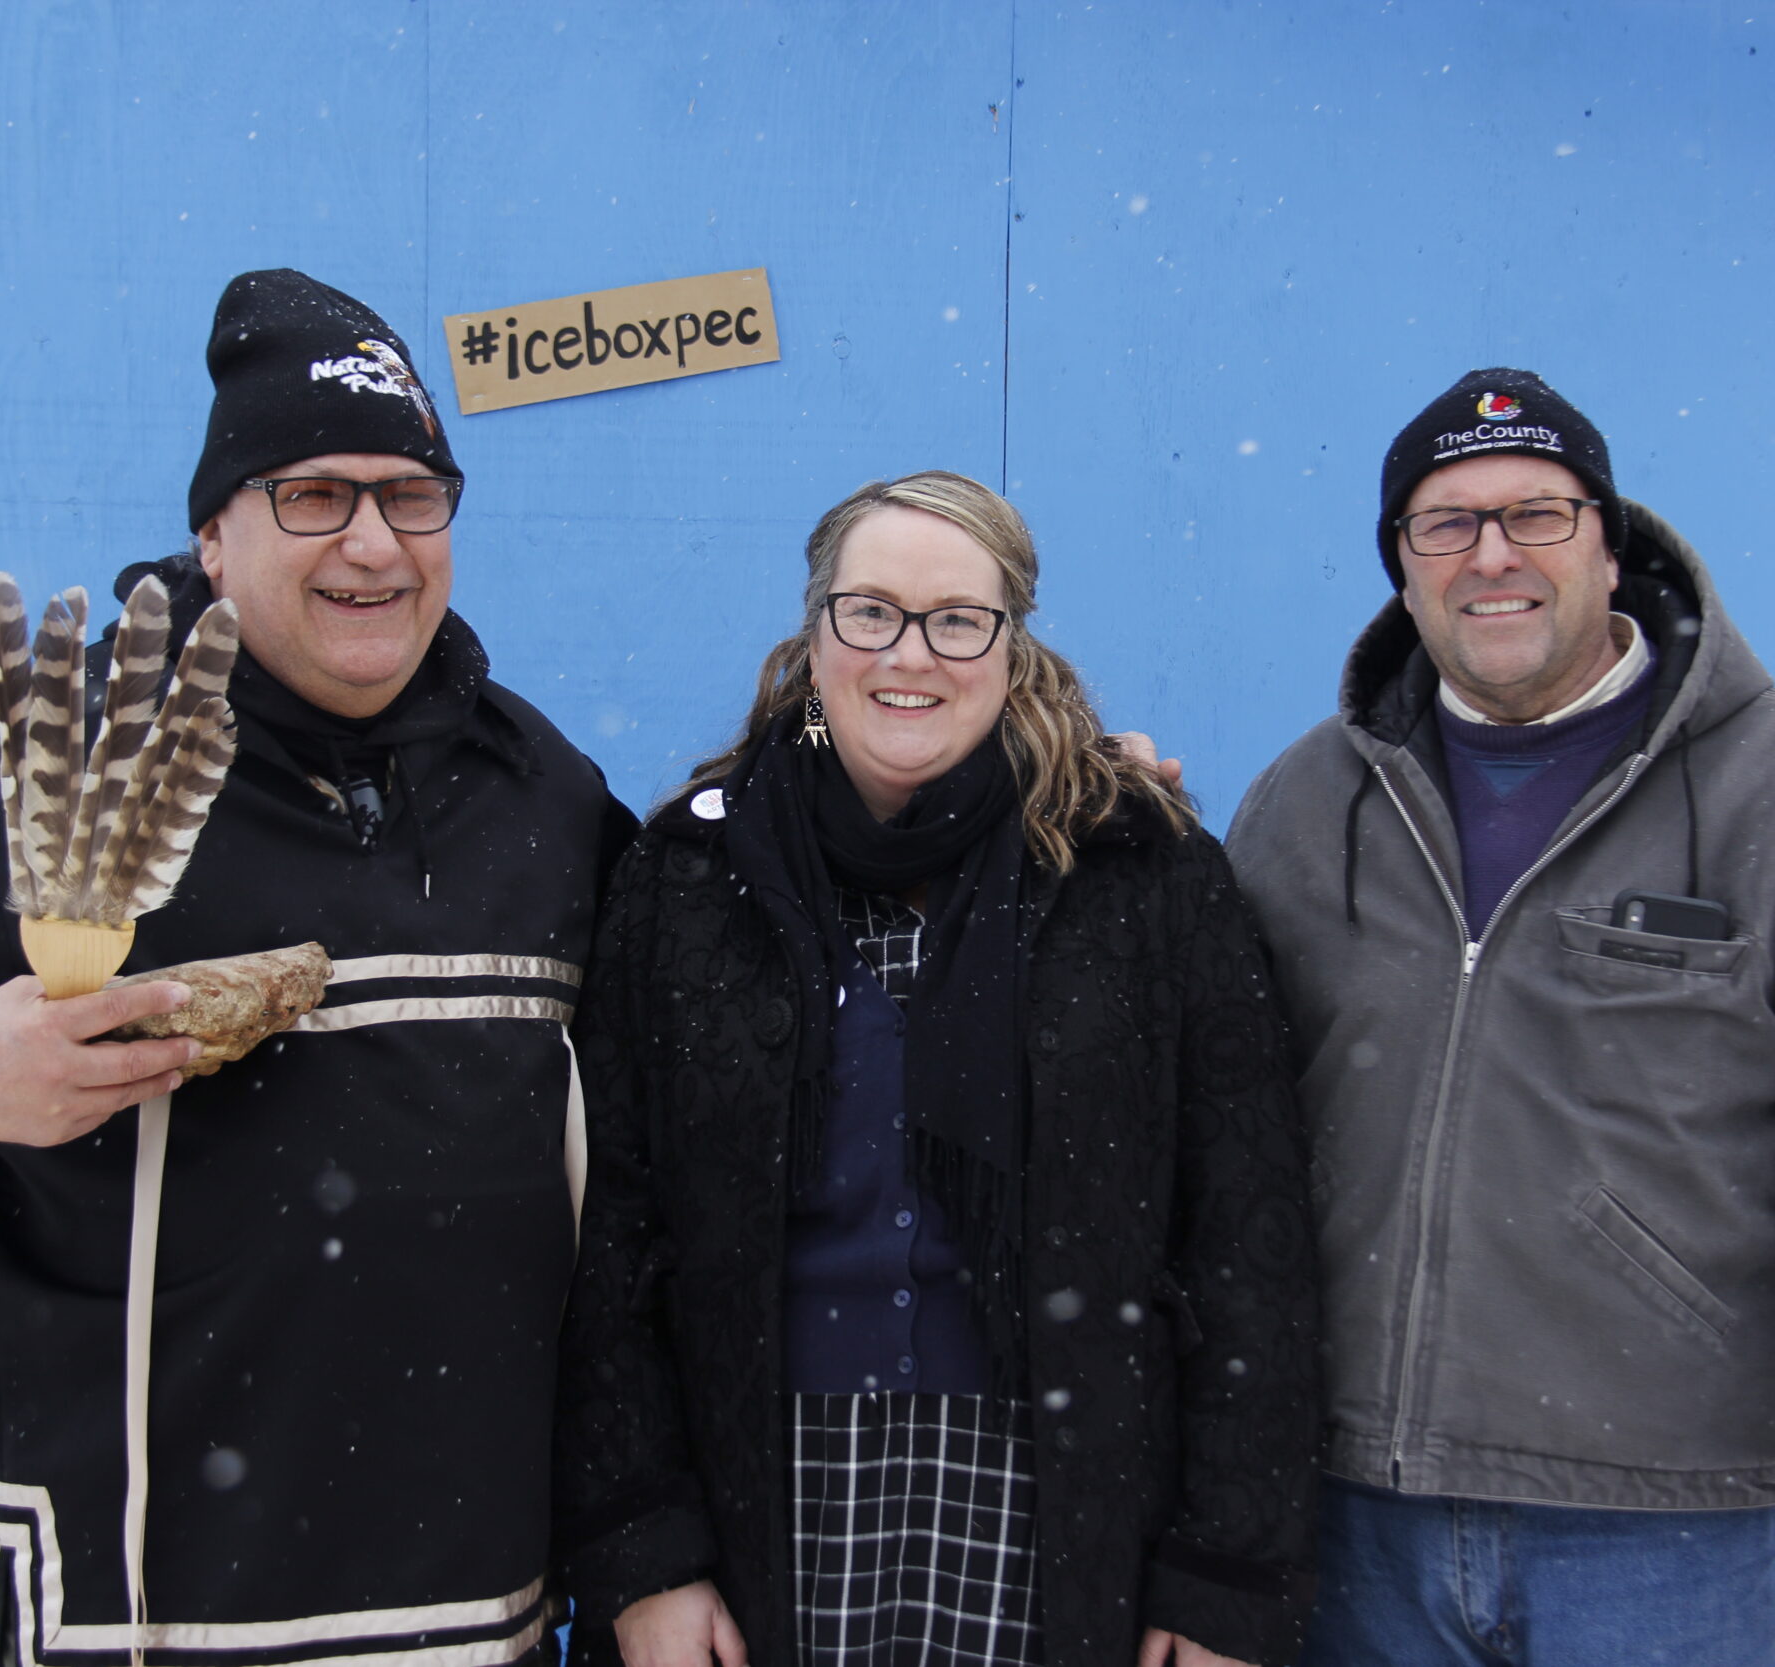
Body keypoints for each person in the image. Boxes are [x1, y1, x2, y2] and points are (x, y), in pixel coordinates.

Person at [0, 269, 633, 1664]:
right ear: (216, 528)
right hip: (138, 1613)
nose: (374, 541)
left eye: (412, 493)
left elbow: (715, 1007)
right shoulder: (68, 763)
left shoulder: (538, 790)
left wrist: (1066, 812)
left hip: (476, 1613)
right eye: (314, 493)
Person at [1226, 368, 1775, 1667]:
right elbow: (1210, 1116)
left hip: (1663, 1534)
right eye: (1446, 523)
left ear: (1608, 534)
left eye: (1534, 512)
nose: (1492, 555)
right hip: (1351, 1512)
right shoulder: (1313, 803)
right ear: (1404, 565)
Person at [551, 471, 1318, 1667]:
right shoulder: (690, 878)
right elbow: (609, 1240)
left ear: (1012, 646)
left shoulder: (1141, 874)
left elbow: (1246, 1238)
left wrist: (1227, 1570)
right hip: (760, 1501)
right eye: (869, 610)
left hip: (1058, 1503)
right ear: (814, 636)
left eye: (959, 618)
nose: (911, 652)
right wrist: (644, 1551)